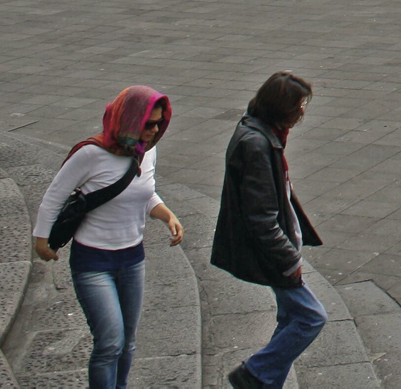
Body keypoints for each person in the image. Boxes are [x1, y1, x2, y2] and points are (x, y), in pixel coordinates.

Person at [33, 86, 182, 389]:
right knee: (110, 343)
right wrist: (41, 241)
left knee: (128, 343)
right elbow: (54, 198)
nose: (154, 131)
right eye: (148, 124)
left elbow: (145, 192)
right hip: (93, 261)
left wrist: (167, 214)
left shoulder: (147, 152)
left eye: (158, 124)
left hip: (132, 259)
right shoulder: (90, 154)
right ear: (128, 121)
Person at [215, 72, 325, 388]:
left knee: (290, 320)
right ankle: (254, 372)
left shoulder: (263, 132)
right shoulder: (256, 144)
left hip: (275, 248)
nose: (302, 112)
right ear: (281, 107)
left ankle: (264, 381)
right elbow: (262, 218)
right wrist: (289, 259)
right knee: (311, 317)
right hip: (273, 253)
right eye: (298, 106)